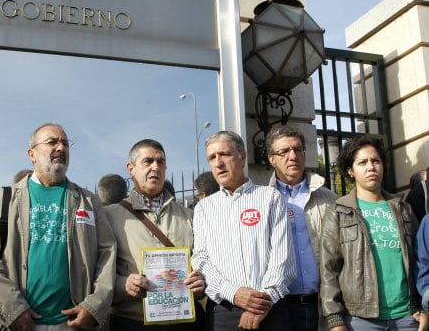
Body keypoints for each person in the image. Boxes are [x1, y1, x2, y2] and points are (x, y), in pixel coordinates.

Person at [0, 123, 116, 330]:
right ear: (32, 154)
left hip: (73, 324)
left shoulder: (89, 202)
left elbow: (107, 253)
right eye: (52, 142)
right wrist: (12, 306)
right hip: (19, 323)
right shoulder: (1, 200)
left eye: (65, 143)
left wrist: (95, 306)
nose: (60, 148)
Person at [192, 131, 296, 331]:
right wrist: (233, 292)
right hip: (223, 314)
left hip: (270, 311)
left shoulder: (269, 198)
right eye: (212, 158)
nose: (218, 163)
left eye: (225, 154)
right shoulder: (204, 208)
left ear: (242, 156)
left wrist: (262, 302)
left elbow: (282, 258)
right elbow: (201, 259)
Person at [320, 136, 425, 331]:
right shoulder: (339, 211)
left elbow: (421, 261)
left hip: (407, 317)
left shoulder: (404, 208)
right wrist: (334, 319)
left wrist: (424, 308)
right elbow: (328, 269)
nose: (371, 167)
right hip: (360, 320)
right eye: (362, 162)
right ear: (350, 170)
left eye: (376, 161)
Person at [104, 139, 206, 330]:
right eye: (148, 161)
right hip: (132, 321)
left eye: (160, 162)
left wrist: (202, 280)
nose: (155, 167)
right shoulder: (110, 216)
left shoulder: (190, 216)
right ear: (131, 168)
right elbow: (98, 269)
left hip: (184, 322)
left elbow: (204, 261)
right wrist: (122, 284)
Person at [265, 126, 338, 331]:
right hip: (281, 307)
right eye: (284, 151)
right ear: (272, 159)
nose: (293, 156)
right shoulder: (262, 201)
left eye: (298, 150)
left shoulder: (329, 199)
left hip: (324, 304)